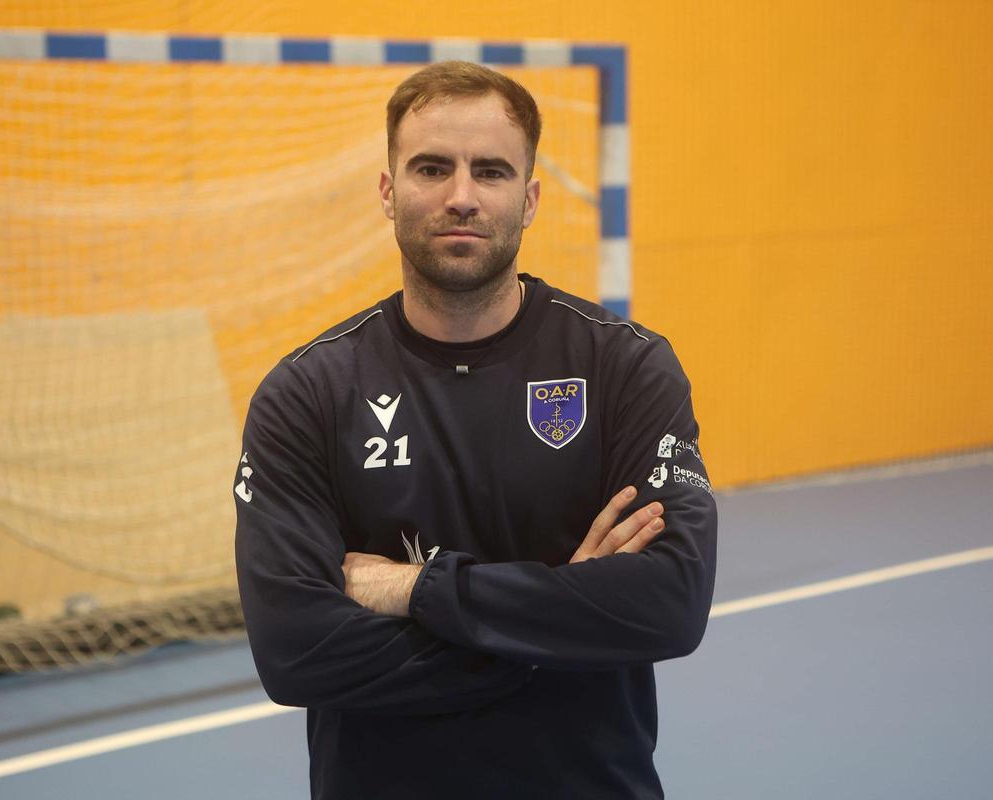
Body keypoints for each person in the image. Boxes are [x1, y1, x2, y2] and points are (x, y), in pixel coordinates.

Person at [234, 61, 717, 799]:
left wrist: (416, 587)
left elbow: (670, 604)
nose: (461, 196)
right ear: (389, 191)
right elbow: (296, 653)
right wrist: (561, 620)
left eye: (490, 172)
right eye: (432, 168)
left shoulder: (623, 367)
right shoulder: (308, 393)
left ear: (527, 200)